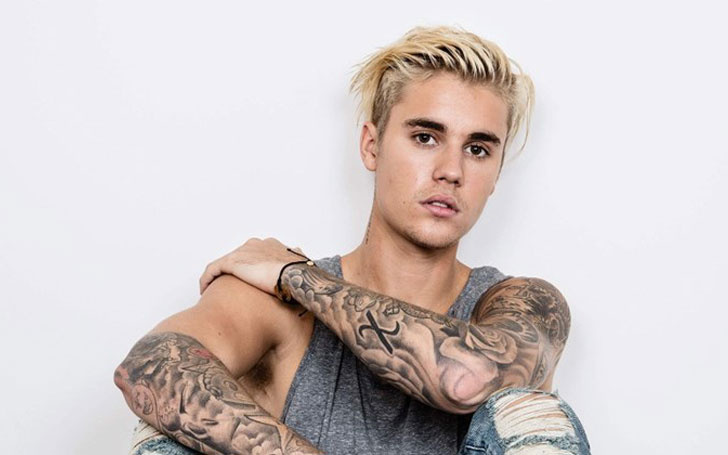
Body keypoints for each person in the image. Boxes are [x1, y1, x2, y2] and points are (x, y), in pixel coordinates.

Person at [114, 25, 591, 455]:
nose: (451, 170)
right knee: (164, 436)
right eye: (425, 137)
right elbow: (148, 367)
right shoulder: (273, 304)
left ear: (497, 173)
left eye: (478, 149)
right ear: (371, 145)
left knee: (541, 420)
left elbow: (467, 377)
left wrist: (299, 279)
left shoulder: (523, 305)